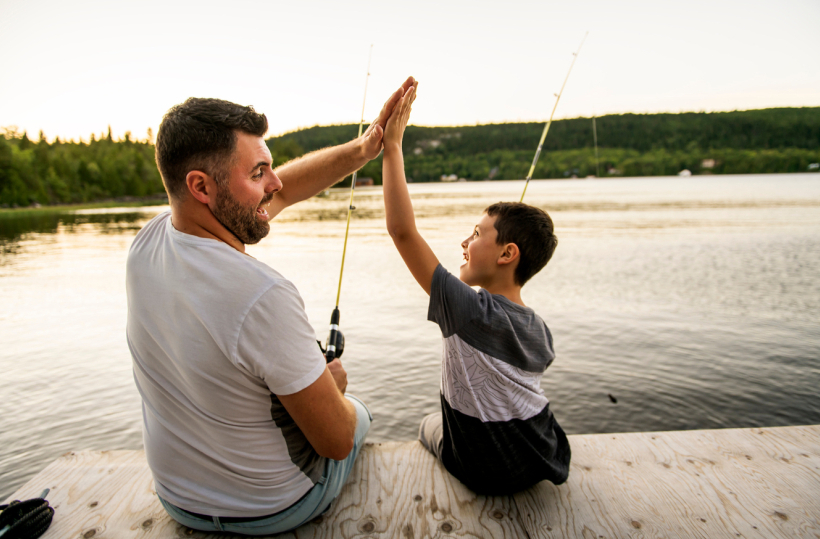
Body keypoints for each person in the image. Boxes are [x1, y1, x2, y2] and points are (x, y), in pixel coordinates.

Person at [126, 77, 415, 536]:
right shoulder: (262, 294)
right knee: (354, 413)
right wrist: (331, 388)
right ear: (201, 186)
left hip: (178, 500)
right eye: (258, 172)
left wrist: (361, 151)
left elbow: (281, 193)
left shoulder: (147, 244)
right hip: (271, 509)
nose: (275, 183)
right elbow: (336, 443)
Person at [380, 83, 571, 495]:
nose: (464, 243)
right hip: (544, 455)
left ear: (507, 254)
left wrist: (392, 147)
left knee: (426, 425)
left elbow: (402, 232)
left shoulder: (467, 309)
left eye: (476, 234)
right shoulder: (540, 328)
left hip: (486, 470)